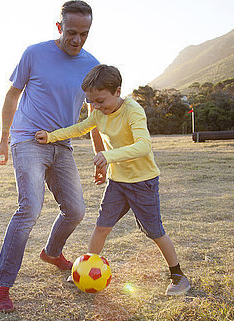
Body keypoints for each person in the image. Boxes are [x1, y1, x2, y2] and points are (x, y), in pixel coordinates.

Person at [35, 64, 191, 296]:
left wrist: (109, 156)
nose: (96, 107)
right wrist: (51, 137)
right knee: (101, 227)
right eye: (91, 102)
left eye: (101, 101)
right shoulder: (98, 112)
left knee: (154, 231)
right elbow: (80, 128)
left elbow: (144, 145)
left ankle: (179, 276)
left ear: (117, 91)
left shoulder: (133, 110)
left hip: (143, 182)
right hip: (117, 183)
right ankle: (86, 271)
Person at [0, 1, 103, 312]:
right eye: (71, 32)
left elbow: (94, 111)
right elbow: (12, 95)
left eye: (84, 33)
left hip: (62, 144)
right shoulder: (34, 53)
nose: (77, 40)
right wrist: (2, 141)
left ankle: (52, 252)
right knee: (30, 208)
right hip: (27, 139)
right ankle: (1, 285)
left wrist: (100, 153)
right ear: (59, 28)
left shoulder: (92, 66)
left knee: (76, 210)